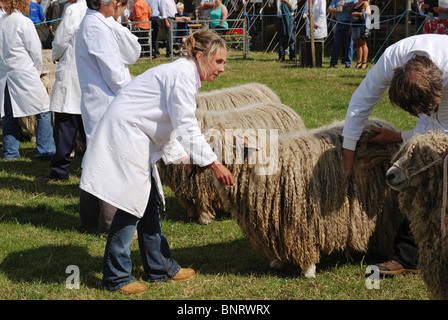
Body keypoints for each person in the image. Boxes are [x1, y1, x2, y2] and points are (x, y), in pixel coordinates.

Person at [79, 28, 234, 294]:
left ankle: (159, 266)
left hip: (136, 136)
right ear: (200, 56)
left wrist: (185, 158)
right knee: (130, 205)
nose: (222, 68)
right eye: (218, 61)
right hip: (126, 136)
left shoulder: (183, 73)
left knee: (147, 203)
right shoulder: (182, 76)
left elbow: (169, 120)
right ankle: (116, 277)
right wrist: (213, 163)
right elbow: (185, 125)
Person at [342, 34, 448, 276]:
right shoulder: (392, 58)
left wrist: (401, 138)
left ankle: (412, 254)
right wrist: (348, 149)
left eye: (427, 108)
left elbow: (441, 135)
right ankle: (410, 256)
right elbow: (361, 100)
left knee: (431, 174)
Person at [75, 0, 140, 235]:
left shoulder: (99, 23)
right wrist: (135, 97)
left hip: (101, 100)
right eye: (118, 2)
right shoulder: (96, 27)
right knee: (110, 161)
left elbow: (133, 52)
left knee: (96, 157)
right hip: (107, 101)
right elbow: (114, 72)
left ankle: (90, 219)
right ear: (106, 3)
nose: (120, 5)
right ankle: (109, 224)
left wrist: (115, 21)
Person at [0, 0, 55, 160]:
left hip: (5, 73)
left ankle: (10, 152)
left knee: (8, 114)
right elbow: (35, 50)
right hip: (24, 71)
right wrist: (37, 70)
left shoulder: (2, 22)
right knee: (43, 109)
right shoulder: (24, 22)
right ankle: (45, 150)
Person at [38, 0, 87, 182]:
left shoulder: (74, 9)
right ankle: (90, 168)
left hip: (72, 71)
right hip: (89, 76)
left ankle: (60, 170)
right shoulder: (98, 8)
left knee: (66, 125)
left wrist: (56, 55)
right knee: (89, 126)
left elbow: (60, 40)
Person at [327, 0, 355, 68]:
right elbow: (328, 9)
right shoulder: (335, 0)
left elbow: (353, 11)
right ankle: (333, 62)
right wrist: (335, 9)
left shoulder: (352, 1)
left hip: (348, 23)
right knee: (336, 43)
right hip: (339, 23)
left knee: (349, 44)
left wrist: (346, 6)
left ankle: (348, 63)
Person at [347, 0, 370, 69]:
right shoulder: (356, 4)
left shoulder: (365, 3)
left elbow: (369, 13)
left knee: (363, 44)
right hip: (354, 25)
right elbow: (352, 17)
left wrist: (358, 13)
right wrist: (350, 28)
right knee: (357, 44)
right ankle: (359, 62)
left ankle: (365, 62)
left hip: (362, 26)